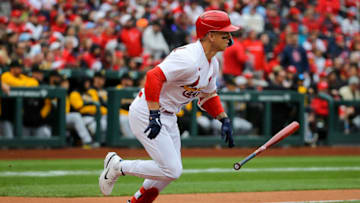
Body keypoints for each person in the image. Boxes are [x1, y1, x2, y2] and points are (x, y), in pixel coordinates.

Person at [98, 10, 238, 203]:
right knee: (172, 169)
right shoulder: (188, 58)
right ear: (210, 35)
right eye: (225, 33)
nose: (230, 37)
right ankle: (118, 166)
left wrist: (223, 118)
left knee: (167, 174)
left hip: (169, 115)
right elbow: (153, 76)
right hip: (147, 110)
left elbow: (208, 95)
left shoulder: (213, 63)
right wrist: (153, 114)